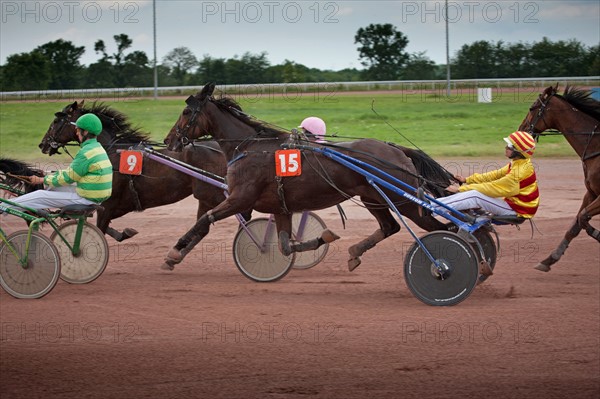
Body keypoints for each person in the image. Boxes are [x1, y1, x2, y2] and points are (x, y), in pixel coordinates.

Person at [1, 113, 112, 213]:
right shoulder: (97, 148)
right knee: (51, 188)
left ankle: (3, 207)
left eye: (78, 130)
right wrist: (51, 177)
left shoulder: (86, 153)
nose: (76, 133)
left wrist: (42, 179)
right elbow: (73, 173)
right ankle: (36, 211)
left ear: (86, 132)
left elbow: (68, 178)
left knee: (40, 195)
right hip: (93, 194)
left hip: (86, 197)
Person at [434, 131, 539, 219]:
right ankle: (434, 205)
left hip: (518, 210)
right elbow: (494, 175)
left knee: (475, 195)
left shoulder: (519, 171)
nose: (506, 147)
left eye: (510, 146)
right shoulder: (518, 163)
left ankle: (432, 207)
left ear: (519, 151)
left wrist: (460, 189)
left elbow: (493, 187)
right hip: (517, 205)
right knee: (475, 193)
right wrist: (467, 179)